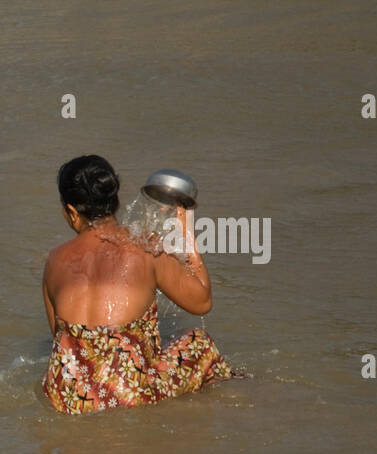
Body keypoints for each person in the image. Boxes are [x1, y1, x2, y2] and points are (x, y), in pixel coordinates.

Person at [41, 155, 240, 414]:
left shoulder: (54, 260)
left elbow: (59, 334)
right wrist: (186, 232)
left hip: (66, 396)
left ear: (71, 212)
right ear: (115, 200)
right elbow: (202, 301)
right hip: (125, 395)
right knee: (200, 344)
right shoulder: (145, 249)